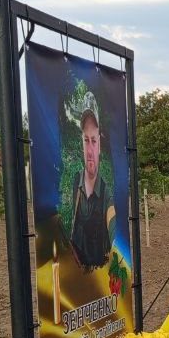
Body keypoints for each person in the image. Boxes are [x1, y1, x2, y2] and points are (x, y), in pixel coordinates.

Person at [69, 100, 113, 269]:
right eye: (86, 140)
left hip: (99, 278)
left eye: (93, 141)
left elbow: (112, 218)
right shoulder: (76, 182)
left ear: (99, 145)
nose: (89, 150)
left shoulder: (105, 191)